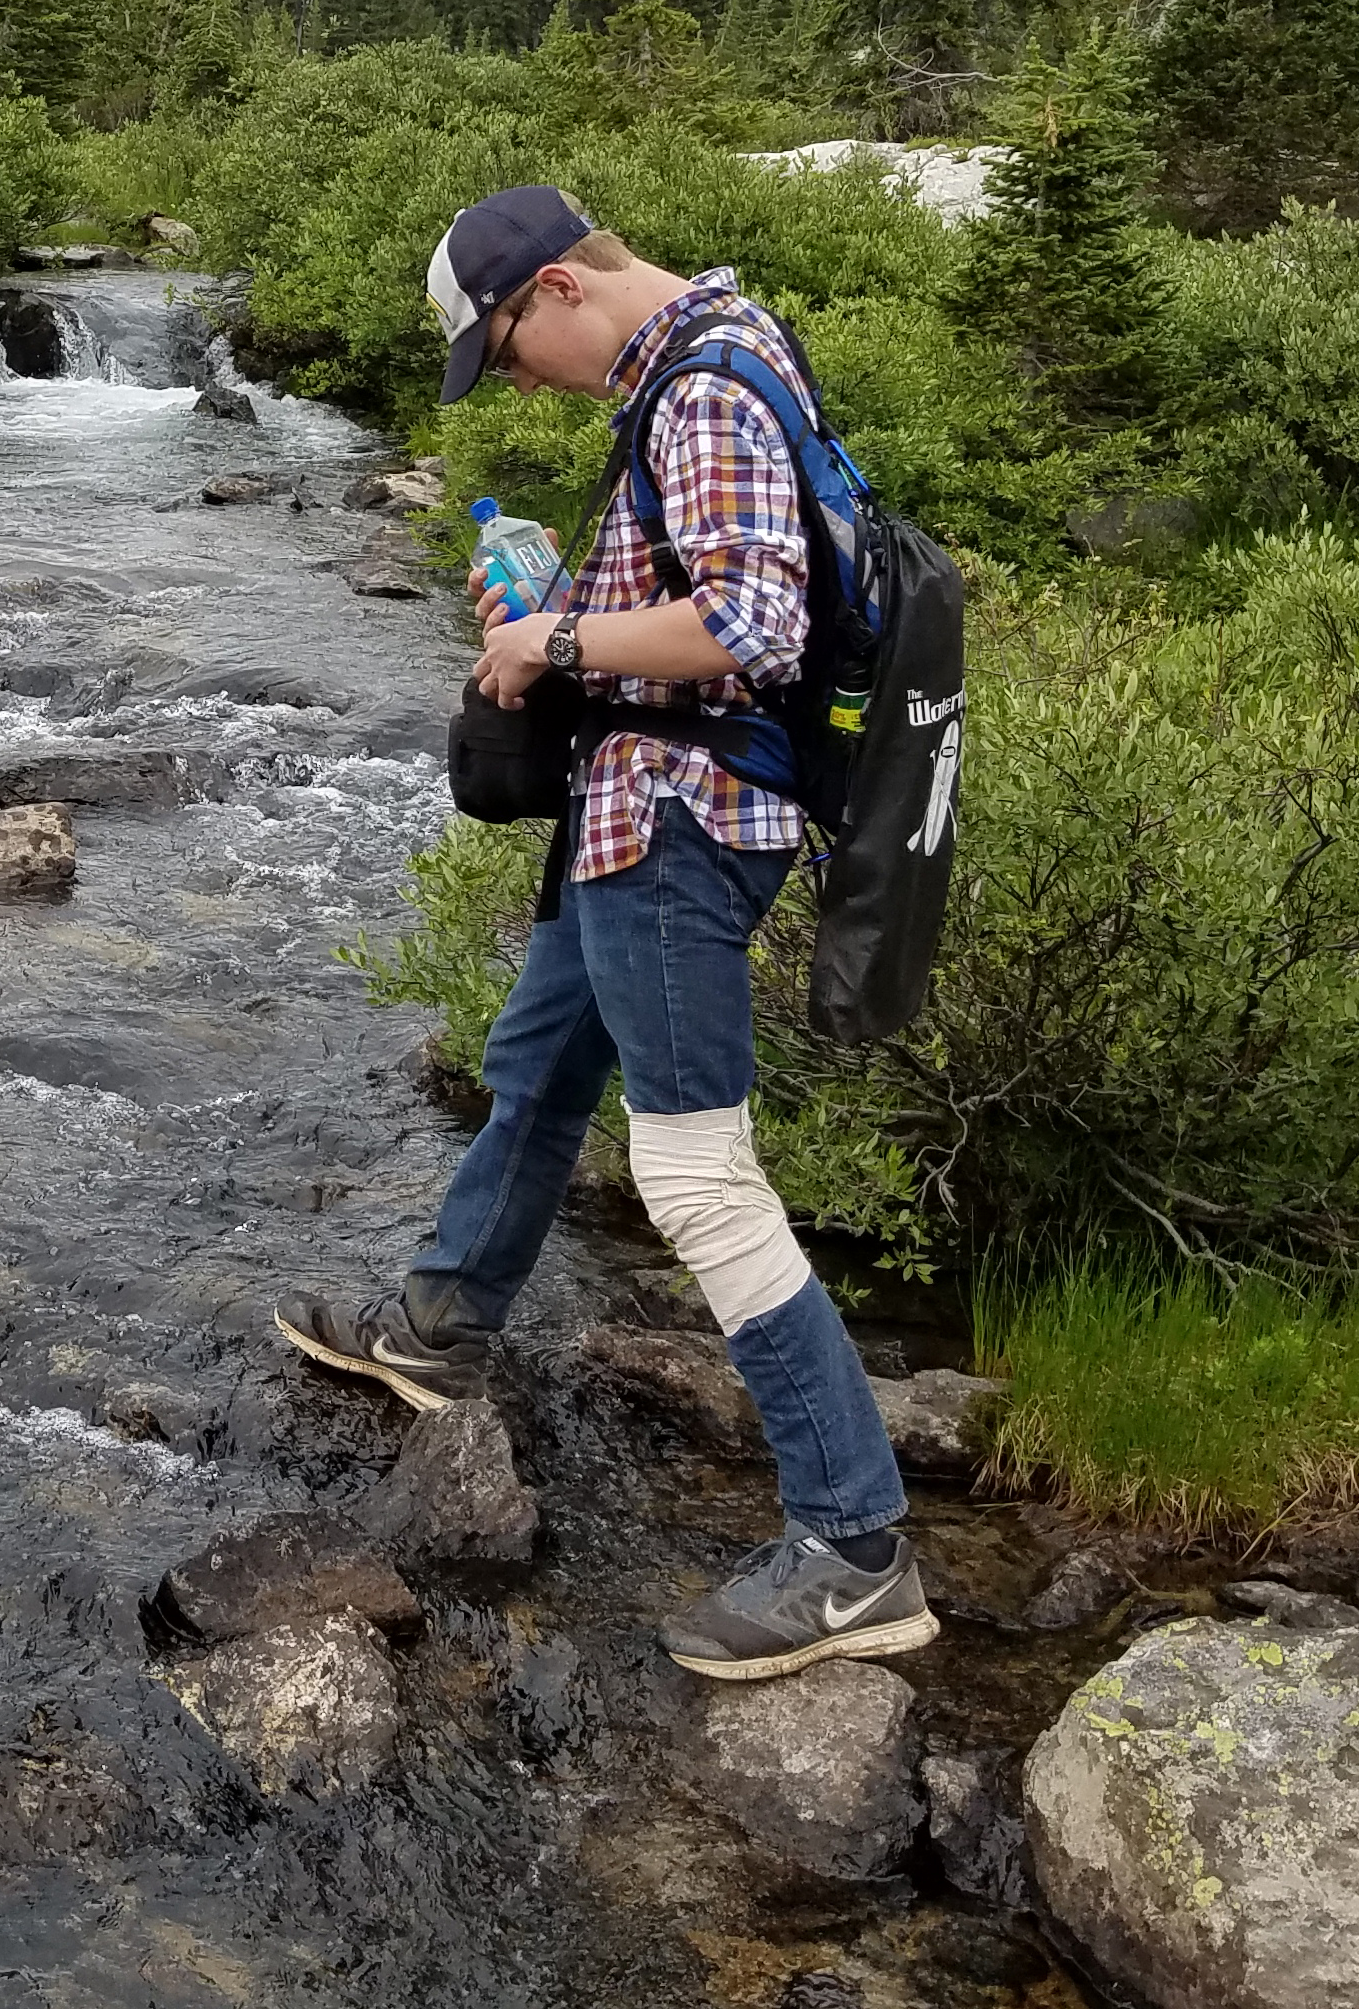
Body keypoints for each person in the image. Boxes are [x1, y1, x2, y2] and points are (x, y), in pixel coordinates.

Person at [272, 187, 929, 1683]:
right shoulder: (731, 348)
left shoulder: (696, 391)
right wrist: (572, 595)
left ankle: (854, 1545)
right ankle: (440, 1324)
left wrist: (550, 641)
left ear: (561, 287)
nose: (513, 380)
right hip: (642, 813)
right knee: (540, 1066)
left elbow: (752, 629)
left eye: (504, 350)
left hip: (681, 827)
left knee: (696, 1176)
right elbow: (717, 596)